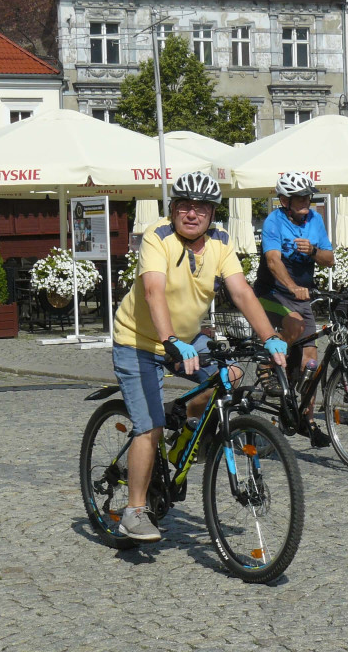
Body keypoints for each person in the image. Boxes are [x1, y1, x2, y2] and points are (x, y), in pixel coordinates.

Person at [112, 171, 288, 543]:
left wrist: (270, 337)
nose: (193, 214)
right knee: (149, 427)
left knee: (233, 375)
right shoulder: (157, 237)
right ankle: (133, 511)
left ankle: (190, 420)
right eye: (185, 206)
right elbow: (153, 291)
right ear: (174, 209)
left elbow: (241, 293)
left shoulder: (221, 243)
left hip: (187, 339)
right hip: (140, 342)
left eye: (202, 208)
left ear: (211, 214)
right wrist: (170, 339)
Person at [253, 171, 335, 448]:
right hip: (271, 293)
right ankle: (267, 363)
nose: (305, 201)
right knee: (296, 325)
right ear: (284, 200)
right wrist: (292, 286)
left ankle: (307, 419)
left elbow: (330, 259)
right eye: (299, 197)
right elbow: (273, 261)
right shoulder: (274, 221)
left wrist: (312, 251)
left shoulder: (316, 219)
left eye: (307, 196)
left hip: (302, 297)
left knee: (311, 360)